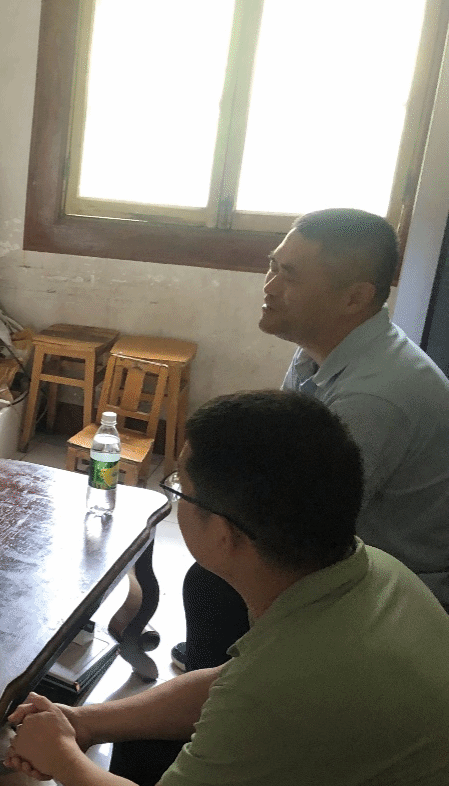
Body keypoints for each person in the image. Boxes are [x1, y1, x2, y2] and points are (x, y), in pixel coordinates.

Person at [8, 391, 449, 786]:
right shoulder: (371, 571)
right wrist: (83, 723)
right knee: (143, 744)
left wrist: (60, 755)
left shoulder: (292, 680)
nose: (176, 497)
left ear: (224, 534)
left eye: (180, 488)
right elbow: (223, 686)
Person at [176, 207, 449, 672]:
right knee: (213, 568)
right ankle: (220, 669)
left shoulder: (376, 397)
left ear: (354, 297)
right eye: (272, 266)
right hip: (345, 542)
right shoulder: (321, 352)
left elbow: (303, 524)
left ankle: (233, 690)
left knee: (214, 583)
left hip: (395, 579)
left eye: (290, 276)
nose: (269, 286)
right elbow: (278, 459)